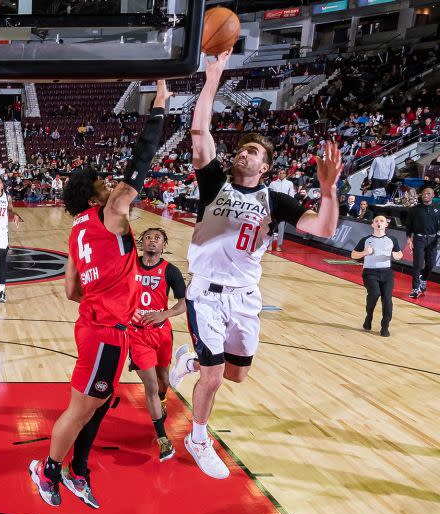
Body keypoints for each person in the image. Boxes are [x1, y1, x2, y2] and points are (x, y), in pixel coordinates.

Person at [168, 52, 342, 480]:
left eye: (250, 151)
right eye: (241, 149)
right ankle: (198, 437)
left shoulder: (276, 201)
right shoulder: (214, 183)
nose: (241, 154)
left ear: (264, 166)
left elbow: (322, 227)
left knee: (235, 376)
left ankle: (187, 362)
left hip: (246, 298)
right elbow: (199, 129)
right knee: (213, 380)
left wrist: (328, 190)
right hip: (206, 293)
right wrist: (213, 78)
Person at [28, 80, 170, 509]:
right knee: (79, 408)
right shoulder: (109, 212)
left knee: (97, 404)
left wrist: (104, 288)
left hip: (99, 324)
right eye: (103, 183)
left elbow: (72, 289)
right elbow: (140, 163)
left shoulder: (75, 231)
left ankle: (78, 471)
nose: (112, 186)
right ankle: (47, 470)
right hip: (105, 330)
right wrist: (160, 107)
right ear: (94, 194)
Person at [128, 227, 186, 461]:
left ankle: (161, 399)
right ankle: (163, 439)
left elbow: (183, 304)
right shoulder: (129, 265)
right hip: (137, 334)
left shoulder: (170, 271)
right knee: (151, 385)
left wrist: (165, 314)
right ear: (142, 243)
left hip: (162, 333)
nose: (153, 241)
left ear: (164, 245)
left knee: (163, 381)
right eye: (149, 237)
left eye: (158, 238)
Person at [351, 215, 403, 336]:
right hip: (370, 272)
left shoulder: (392, 239)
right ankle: (369, 316)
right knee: (375, 293)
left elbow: (399, 253)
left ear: (386, 224)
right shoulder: (366, 240)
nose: (379, 223)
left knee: (387, 299)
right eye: (376, 221)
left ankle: (385, 326)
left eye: (381, 221)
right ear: (373, 225)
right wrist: (365, 253)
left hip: (387, 272)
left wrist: (397, 256)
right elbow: (353, 255)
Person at [403, 186, 440, 299]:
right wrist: (409, 239)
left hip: (433, 240)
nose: (425, 195)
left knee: (430, 264)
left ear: (433, 196)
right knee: (417, 265)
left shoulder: (438, 208)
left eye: (428, 193)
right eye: (424, 193)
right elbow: (409, 225)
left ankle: (423, 279)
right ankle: (415, 288)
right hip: (419, 239)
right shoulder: (414, 209)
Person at [268, 171, 296, 252]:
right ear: (277, 174)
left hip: (283, 208)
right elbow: (270, 195)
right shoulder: (273, 183)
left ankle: (278, 245)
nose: (281, 174)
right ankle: (269, 244)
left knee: (281, 228)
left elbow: (291, 196)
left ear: (285, 174)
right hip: (274, 208)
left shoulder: (289, 183)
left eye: (283, 173)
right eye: (279, 173)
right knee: (271, 227)